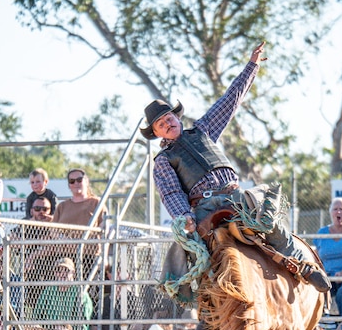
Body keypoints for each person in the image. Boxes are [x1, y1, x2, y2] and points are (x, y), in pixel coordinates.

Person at [141, 41, 329, 295]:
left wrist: (251, 66)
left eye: (169, 118)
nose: (168, 124)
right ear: (155, 133)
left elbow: (230, 100)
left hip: (236, 195)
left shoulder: (203, 130)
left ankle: (305, 267)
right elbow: (171, 193)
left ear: (178, 117)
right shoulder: (163, 160)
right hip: (203, 206)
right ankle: (206, 306)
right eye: (161, 124)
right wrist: (184, 216)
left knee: (271, 222)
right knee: (197, 253)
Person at [51, 168, 105, 278]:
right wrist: (63, 239)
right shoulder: (62, 206)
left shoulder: (97, 202)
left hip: (89, 254)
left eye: (79, 180)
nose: (76, 183)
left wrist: (88, 239)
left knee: (87, 290)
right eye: (72, 181)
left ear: (86, 181)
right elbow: (53, 229)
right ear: (69, 185)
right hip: (65, 257)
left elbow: (104, 224)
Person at [32, 258, 94, 330]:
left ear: (73, 273)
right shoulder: (48, 291)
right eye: (58, 271)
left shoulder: (80, 293)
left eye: (66, 271)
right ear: (54, 273)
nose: (62, 274)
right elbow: (37, 315)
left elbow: (84, 324)